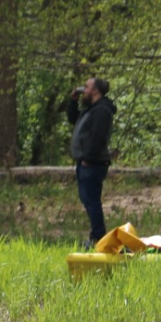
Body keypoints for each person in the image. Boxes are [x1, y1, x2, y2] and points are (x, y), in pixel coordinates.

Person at [64, 76, 116, 245]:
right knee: (88, 200)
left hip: (93, 164)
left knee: (92, 200)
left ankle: (98, 238)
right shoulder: (91, 109)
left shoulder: (102, 111)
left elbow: (98, 137)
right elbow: (74, 119)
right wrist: (73, 101)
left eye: (86, 87)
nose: (83, 90)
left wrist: (88, 158)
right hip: (86, 162)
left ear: (95, 91)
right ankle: (96, 236)